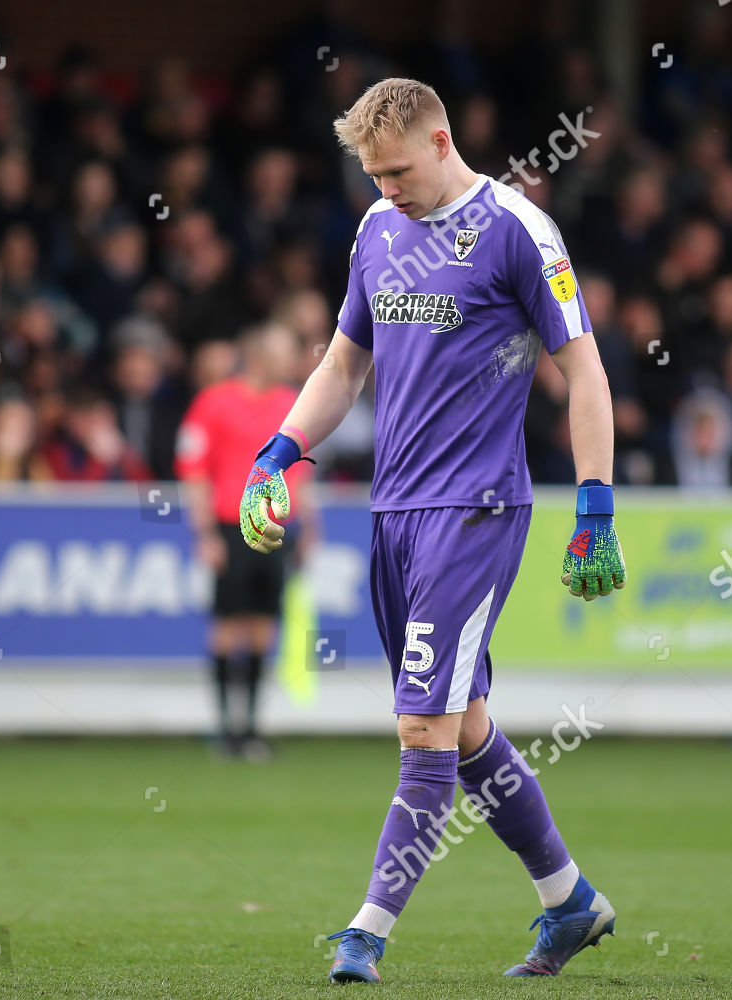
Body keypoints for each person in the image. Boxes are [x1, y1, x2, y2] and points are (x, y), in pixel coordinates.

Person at [237, 79, 624, 983]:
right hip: (395, 511)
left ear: (443, 140)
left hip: (477, 509)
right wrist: (280, 449)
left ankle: (366, 931)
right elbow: (343, 365)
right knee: (466, 726)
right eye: (372, 175)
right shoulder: (376, 233)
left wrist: (596, 506)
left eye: (397, 170)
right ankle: (568, 900)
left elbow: (588, 374)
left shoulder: (517, 232)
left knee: (421, 732)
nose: (386, 189)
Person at [175, 322, 313, 758]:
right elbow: (194, 470)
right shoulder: (214, 402)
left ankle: (250, 727)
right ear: (257, 355)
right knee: (227, 623)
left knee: (262, 625)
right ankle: (224, 728)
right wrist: (204, 533)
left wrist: (308, 527)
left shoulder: (291, 403)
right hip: (230, 526)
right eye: (282, 351)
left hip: (274, 528)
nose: (290, 359)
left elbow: (300, 472)